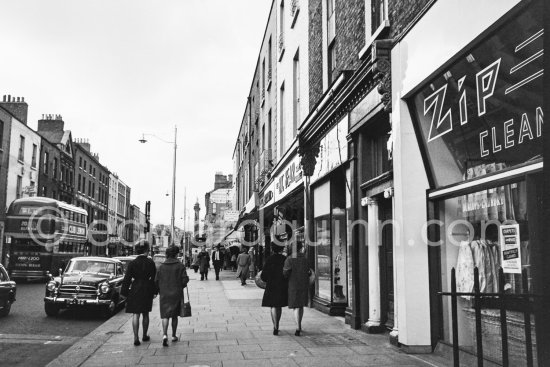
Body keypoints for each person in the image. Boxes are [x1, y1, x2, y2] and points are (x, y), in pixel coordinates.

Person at [121, 240, 157, 346]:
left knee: (135, 314)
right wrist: (155, 291)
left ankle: (136, 338)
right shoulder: (150, 262)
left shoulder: (132, 263)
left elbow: (127, 279)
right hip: (147, 289)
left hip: (135, 288)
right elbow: (154, 278)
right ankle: (144, 335)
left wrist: (124, 293)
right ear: (147, 250)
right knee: (145, 313)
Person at [155, 246, 189, 347]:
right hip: (176, 293)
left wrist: (160, 290)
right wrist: (181, 286)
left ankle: (165, 335)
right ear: (176, 254)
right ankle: (173, 335)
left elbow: (156, 281)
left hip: (164, 294)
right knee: (174, 315)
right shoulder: (180, 266)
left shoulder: (161, 267)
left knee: (165, 315)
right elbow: (184, 280)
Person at [261, 242, 288, 335]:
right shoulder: (285, 259)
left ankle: (275, 326)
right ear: (282, 249)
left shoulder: (269, 259)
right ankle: (277, 325)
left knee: (273, 305)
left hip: (271, 285)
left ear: (273, 249)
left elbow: (263, 275)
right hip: (281, 285)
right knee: (279, 305)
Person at [283, 240, 310, 336]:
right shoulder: (305, 258)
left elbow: (285, 273)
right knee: (301, 305)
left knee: (295, 306)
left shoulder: (289, 259)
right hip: (303, 283)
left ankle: (298, 326)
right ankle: (300, 325)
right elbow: (309, 270)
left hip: (293, 284)